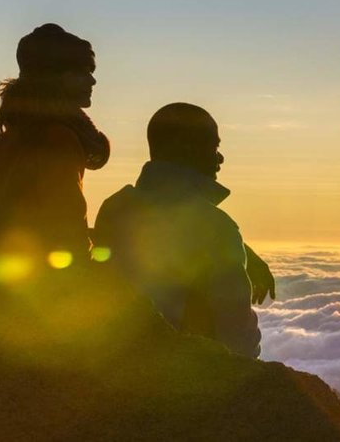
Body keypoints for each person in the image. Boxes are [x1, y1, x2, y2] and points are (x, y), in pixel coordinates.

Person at [92, 103, 274, 358]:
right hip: (183, 371)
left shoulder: (114, 207)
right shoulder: (216, 227)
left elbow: (161, 228)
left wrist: (244, 253)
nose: (220, 158)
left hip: (116, 359)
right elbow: (236, 334)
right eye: (214, 147)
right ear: (186, 148)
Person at [0, 23, 109, 268]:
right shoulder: (57, 139)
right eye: (82, 71)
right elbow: (69, 231)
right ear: (57, 77)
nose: (93, 80)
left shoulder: (4, 143)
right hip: (29, 288)